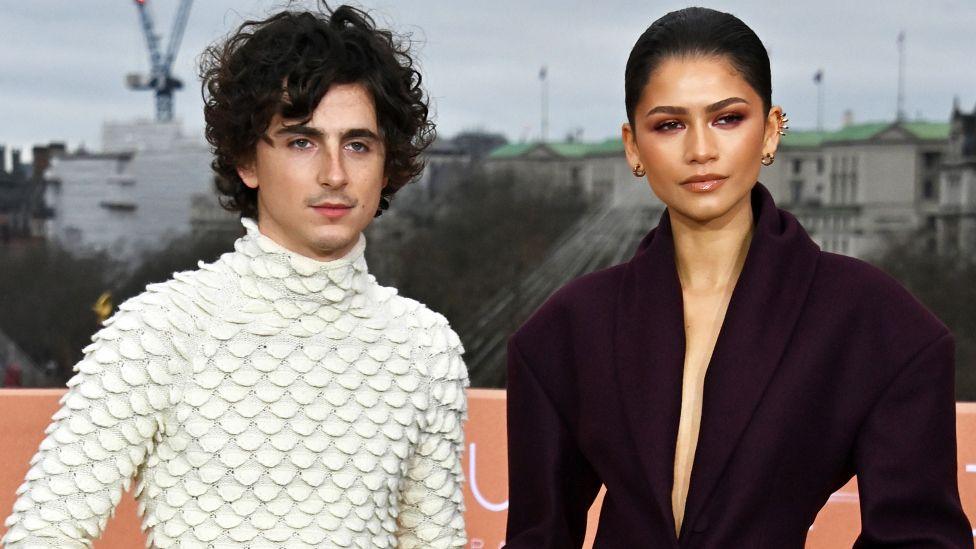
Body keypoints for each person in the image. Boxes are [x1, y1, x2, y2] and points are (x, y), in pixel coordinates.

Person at [3, 5, 468, 548]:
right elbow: (42, 535)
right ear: (247, 161)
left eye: (358, 145)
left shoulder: (426, 347)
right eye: (302, 141)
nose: (334, 173)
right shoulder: (158, 331)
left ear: (387, 166)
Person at [505, 7, 971, 548]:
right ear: (633, 146)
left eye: (727, 118)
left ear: (772, 130)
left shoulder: (877, 323)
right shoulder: (564, 329)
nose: (700, 150)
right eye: (669, 124)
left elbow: (922, 539)